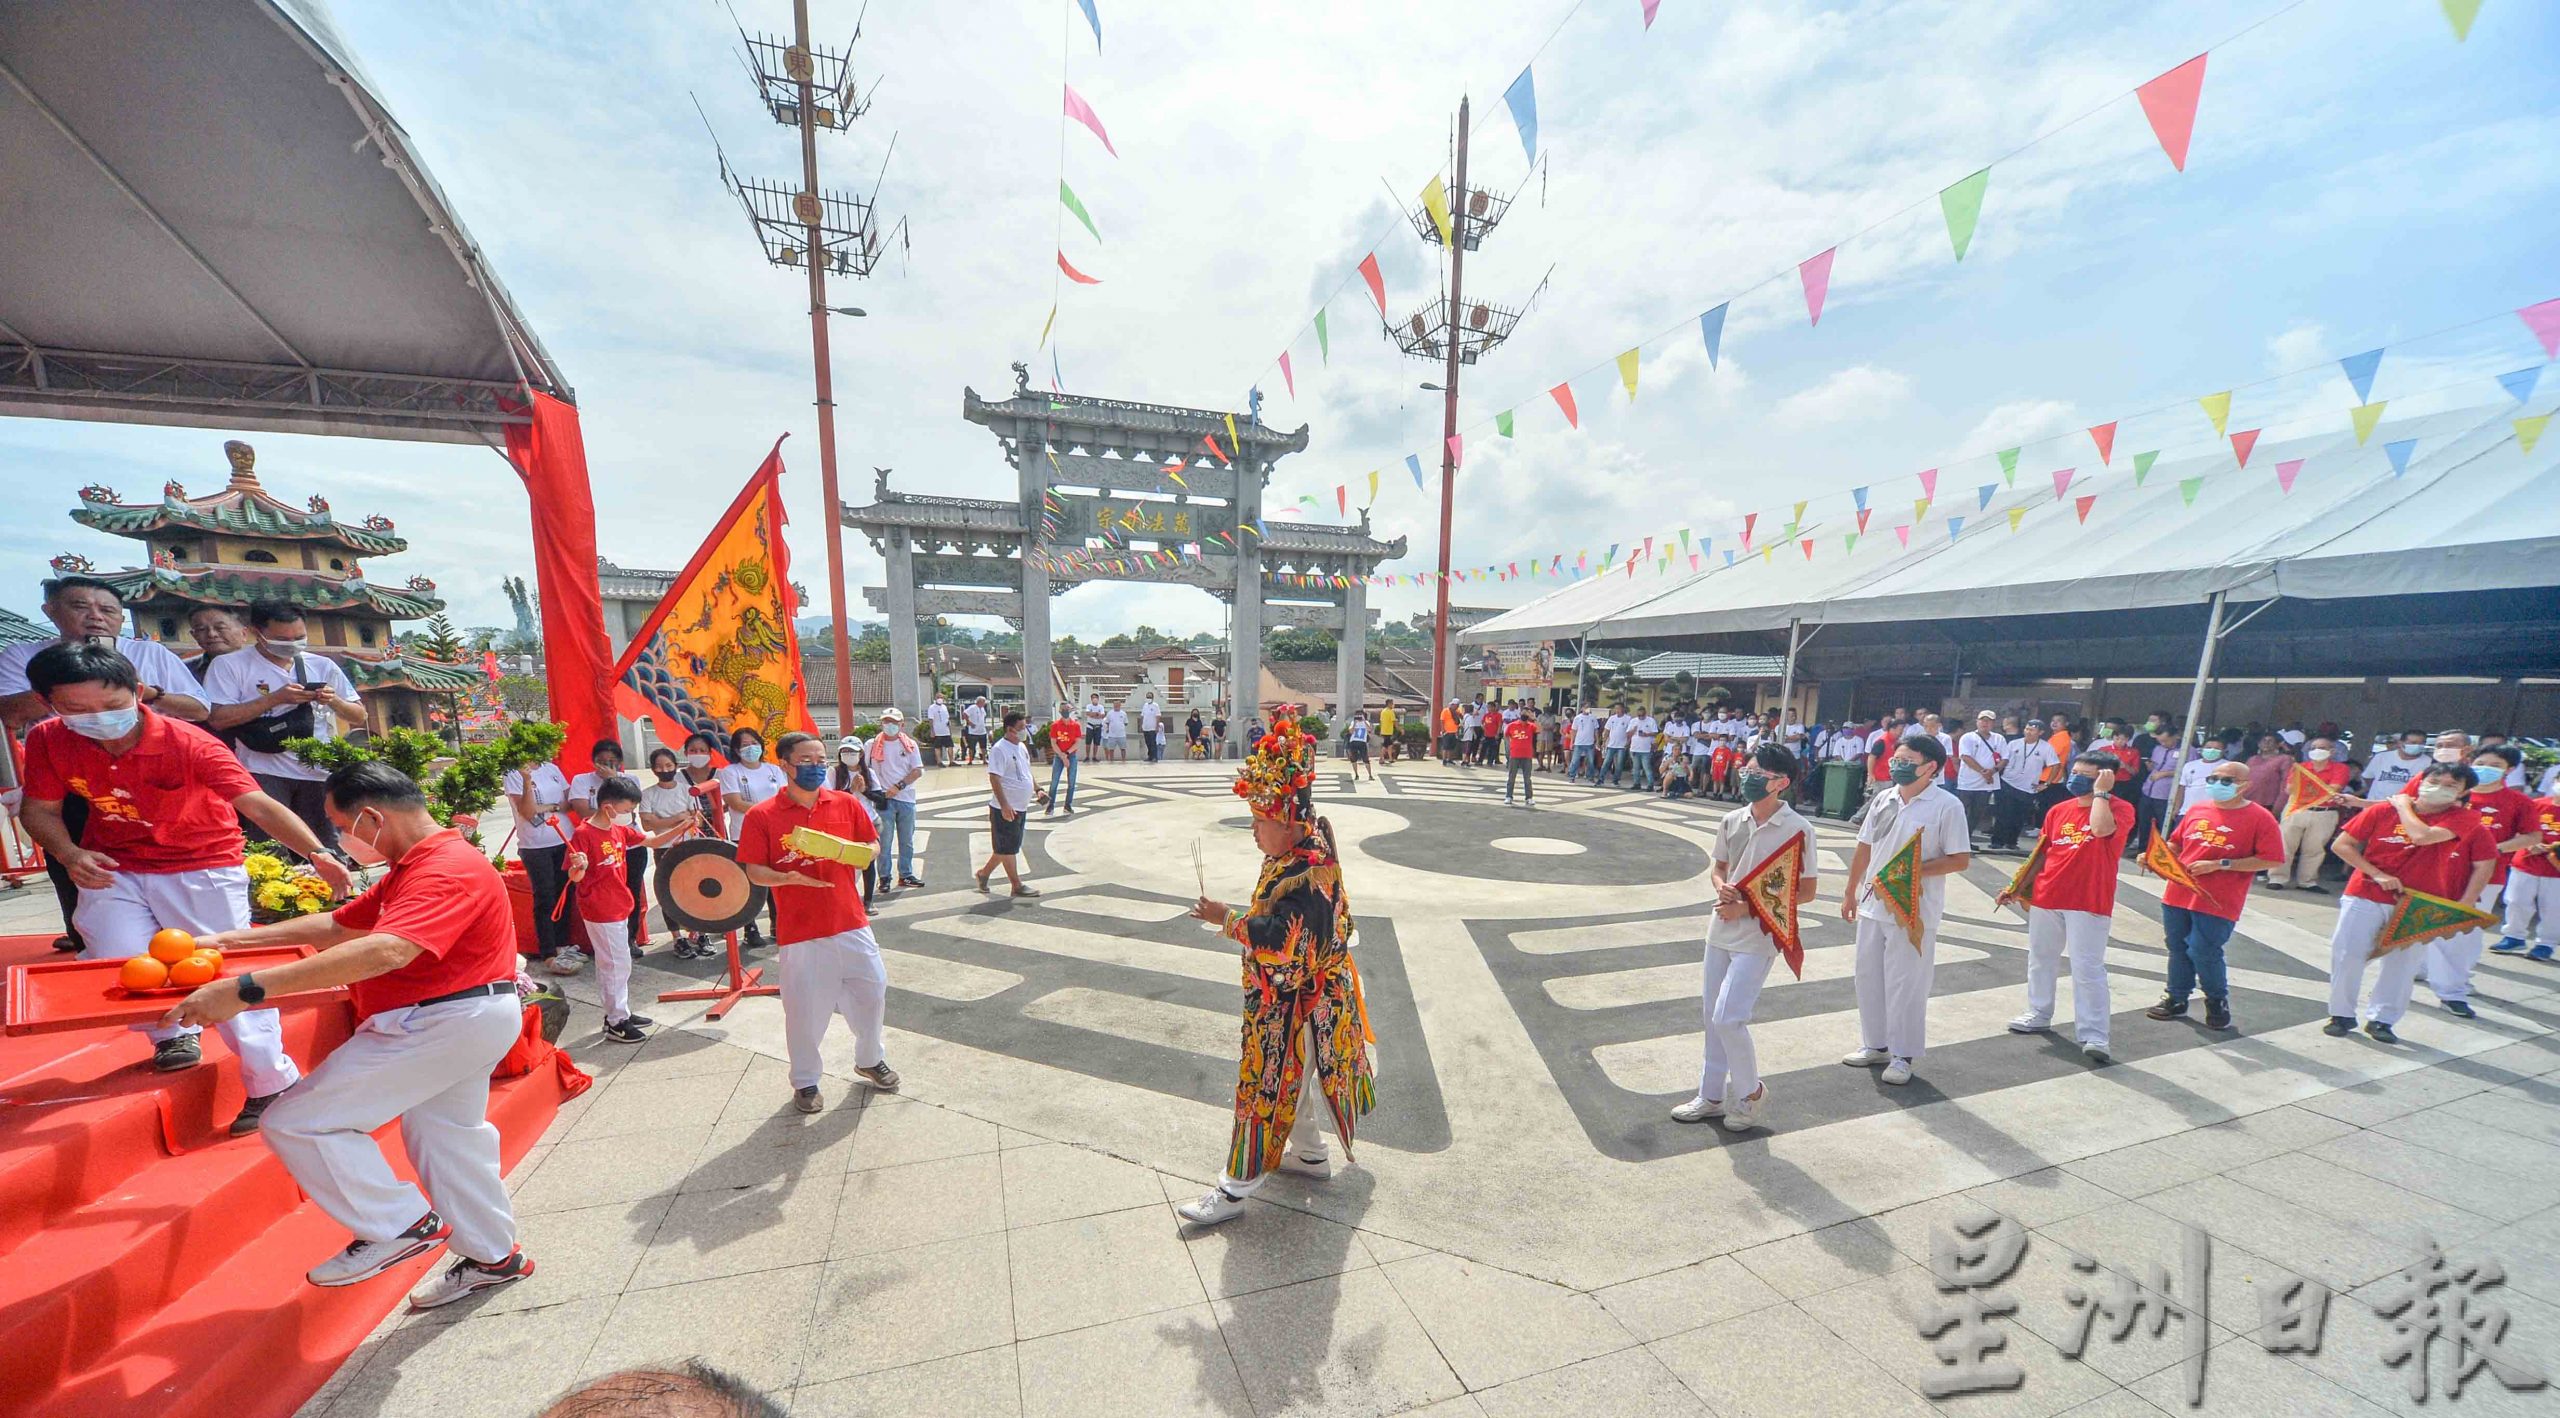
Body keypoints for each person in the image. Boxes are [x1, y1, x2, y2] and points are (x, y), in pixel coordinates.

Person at [163, 761, 535, 1309]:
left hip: (438, 1021)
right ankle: (494, 1257)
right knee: (446, 1139)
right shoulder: (417, 863)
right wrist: (232, 941)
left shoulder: (444, 869)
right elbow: (341, 927)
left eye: (340, 826)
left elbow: (388, 949)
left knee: (299, 1121)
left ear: (370, 817)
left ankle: (400, 1226)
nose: (341, 838)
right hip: (460, 1017)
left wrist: (246, 990)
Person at [17, 641, 350, 1131]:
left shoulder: (188, 741)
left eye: (111, 706)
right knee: (123, 958)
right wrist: (69, 854)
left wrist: (318, 853)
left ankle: (271, 1081)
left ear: (137, 692)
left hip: (201, 864)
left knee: (225, 971)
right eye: (77, 709)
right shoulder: (50, 739)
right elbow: (39, 810)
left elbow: (256, 804)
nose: (98, 718)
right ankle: (171, 1033)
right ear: (49, 704)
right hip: (114, 864)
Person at [1177, 710, 1375, 1225]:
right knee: (1295, 1081)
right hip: (1287, 1001)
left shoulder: (1309, 873)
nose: (1253, 830)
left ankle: (1234, 1189)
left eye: (1260, 822)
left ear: (1288, 820)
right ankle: (1309, 1156)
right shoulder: (1301, 850)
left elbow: (1287, 945)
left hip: (1297, 1008)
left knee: (1262, 1089)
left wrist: (1229, 919)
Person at [2, 574, 212, 953]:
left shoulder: (152, 654)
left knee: (166, 866)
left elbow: (200, 709)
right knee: (81, 869)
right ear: (51, 612)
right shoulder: (24, 657)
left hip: (152, 777)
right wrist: (74, 683)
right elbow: (8, 711)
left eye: (108, 610)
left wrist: (141, 691)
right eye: (81, 607)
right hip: (68, 781)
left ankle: (169, 937)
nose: (95, 617)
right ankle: (89, 940)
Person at [735, 731, 899, 1113]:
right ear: (785, 765)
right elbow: (754, 870)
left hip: (851, 920)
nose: (815, 766)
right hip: (801, 930)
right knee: (806, 1011)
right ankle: (806, 1081)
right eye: (805, 760)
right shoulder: (763, 816)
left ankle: (870, 1058)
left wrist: (861, 853)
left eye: (820, 759)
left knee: (872, 993)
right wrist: (786, 878)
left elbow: (871, 842)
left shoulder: (845, 803)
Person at [1674, 744, 1816, 1131]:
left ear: (1781, 783)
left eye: (1759, 774)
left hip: (1758, 937)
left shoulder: (1798, 829)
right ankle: (1711, 1095)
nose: (1749, 778)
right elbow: (1719, 867)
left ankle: (1751, 1094)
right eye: (1747, 770)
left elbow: (1805, 890)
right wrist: (1721, 887)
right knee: (1711, 1016)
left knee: (1729, 1017)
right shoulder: (1732, 820)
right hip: (1720, 928)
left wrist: (1749, 907)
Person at [2323, 762, 2498, 1042]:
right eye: (2435, 779)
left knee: (2403, 963)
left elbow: (2422, 837)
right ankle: (2341, 1013)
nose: (2439, 787)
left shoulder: (2463, 819)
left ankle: (2383, 1019)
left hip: (2421, 900)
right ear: (2422, 780)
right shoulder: (2381, 811)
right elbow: (2341, 845)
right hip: (2366, 891)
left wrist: (2403, 806)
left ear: (2463, 794)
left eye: (2451, 785)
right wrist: (2377, 874)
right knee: (2347, 953)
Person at [1838, 735, 1970, 1085]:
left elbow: (1959, 859)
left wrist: (1912, 872)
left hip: (1913, 910)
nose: (1897, 764)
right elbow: (1864, 847)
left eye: (1907, 759)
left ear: (1930, 767)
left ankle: (1902, 1055)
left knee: (1906, 983)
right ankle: (1875, 1044)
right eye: (1896, 758)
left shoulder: (1946, 805)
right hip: (1871, 904)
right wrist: (1850, 891)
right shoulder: (1884, 798)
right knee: (1868, 978)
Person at [202, 600, 368, 852]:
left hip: (317, 770)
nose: (292, 644)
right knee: (271, 851)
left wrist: (334, 700)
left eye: (299, 637)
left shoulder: (322, 665)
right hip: (262, 771)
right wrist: (275, 698)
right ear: (258, 632)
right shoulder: (229, 665)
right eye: (282, 638)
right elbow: (218, 718)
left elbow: (359, 716)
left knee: (328, 849)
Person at [2142, 755, 2286, 1032]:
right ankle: (2176, 997)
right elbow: (2175, 843)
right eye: (2213, 779)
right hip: (2178, 892)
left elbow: (2271, 859)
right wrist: (2153, 857)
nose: (2218, 784)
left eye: (2226, 780)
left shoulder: (2260, 817)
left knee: (2204, 949)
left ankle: (2216, 999)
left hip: (2219, 898)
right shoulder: (2198, 809)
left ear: (2244, 785)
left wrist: (2221, 865)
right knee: (2178, 946)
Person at [2004, 753, 2130, 1063]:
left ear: (2106, 778)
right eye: (2075, 772)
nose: (2077, 779)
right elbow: (2043, 853)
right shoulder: (2059, 810)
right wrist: (2017, 887)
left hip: (2088, 899)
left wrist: (2100, 794)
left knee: (2087, 967)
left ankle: (2095, 1034)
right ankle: (2039, 1011)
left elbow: (2100, 831)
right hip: (2049, 895)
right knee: (2041, 958)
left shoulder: (2120, 809)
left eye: (2087, 775)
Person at [565, 779, 695, 1042]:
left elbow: (653, 840)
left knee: (615, 963)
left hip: (619, 904)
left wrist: (684, 825)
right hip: (600, 908)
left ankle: (619, 1012)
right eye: (627, 809)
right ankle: (616, 1021)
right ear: (608, 807)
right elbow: (574, 877)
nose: (630, 815)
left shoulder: (619, 830)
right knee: (615, 964)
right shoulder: (583, 834)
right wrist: (579, 866)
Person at [2423, 744, 2536, 1019]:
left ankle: (2452, 990)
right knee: (2420, 923)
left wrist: (2493, 849)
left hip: (2484, 876)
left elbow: (2532, 837)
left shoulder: (2518, 802)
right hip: (2432, 870)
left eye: (2495, 766)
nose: (2486, 769)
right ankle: (2418, 970)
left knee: (2462, 933)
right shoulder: (2449, 792)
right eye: (2481, 762)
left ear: (2509, 770)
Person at [502, 738, 577, 975]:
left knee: (565, 892)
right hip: (535, 845)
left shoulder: (551, 768)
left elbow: (568, 803)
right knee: (545, 896)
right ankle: (548, 952)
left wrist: (547, 807)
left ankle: (563, 944)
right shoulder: (513, 773)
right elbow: (526, 811)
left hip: (563, 838)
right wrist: (527, 781)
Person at [566, 738, 648, 951]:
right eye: (601, 761)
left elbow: (628, 814)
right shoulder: (582, 780)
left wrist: (614, 780)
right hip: (598, 846)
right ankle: (604, 942)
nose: (606, 765)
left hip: (630, 844)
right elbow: (583, 811)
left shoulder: (629, 779)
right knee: (602, 891)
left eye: (612, 761)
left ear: (619, 762)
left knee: (632, 891)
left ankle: (631, 938)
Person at [641, 747, 718, 958]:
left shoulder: (687, 789)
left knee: (695, 890)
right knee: (668, 892)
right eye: (659, 766)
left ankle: (700, 933)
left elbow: (696, 819)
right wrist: (677, 819)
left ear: (675, 766)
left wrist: (663, 821)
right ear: (653, 769)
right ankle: (678, 938)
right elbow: (648, 825)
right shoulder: (648, 794)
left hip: (688, 845)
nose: (664, 769)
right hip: (663, 848)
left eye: (668, 765)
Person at [2270, 736, 2360, 892]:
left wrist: (2307, 789)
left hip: (2324, 813)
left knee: (2315, 849)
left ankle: (2307, 881)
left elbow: (2334, 789)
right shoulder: (2299, 767)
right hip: (2296, 809)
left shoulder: (2340, 768)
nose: (2317, 751)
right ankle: (2277, 878)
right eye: (2313, 748)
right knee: (2285, 845)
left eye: (2322, 748)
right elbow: (2290, 789)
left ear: (2332, 752)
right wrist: (2319, 789)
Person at [2490, 781, 2560, 961]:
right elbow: (2518, 828)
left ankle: (2546, 943)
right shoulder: (2536, 804)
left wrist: (2551, 847)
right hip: (2526, 863)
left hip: (2556, 869)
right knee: (2515, 901)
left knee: (2553, 908)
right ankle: (2514, 936)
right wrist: (2530, 843)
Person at [976, 711, 1041, 896]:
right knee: (1008, 848)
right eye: (1021, 729)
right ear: (1010, 729)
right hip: (1005, 808)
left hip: (1021, 806)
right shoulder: (999, 749)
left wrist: (1037, 789)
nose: (1024, 732)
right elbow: (994, 778)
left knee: (1006, 847)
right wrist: (1004, 805)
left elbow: (1026, 772)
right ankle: (1016, 885)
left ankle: (983, 874)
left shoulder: (1020, 747)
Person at [867, 708, 926, 888]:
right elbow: (864, 769)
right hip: (883, 799)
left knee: (906, 840)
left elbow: (917, 770)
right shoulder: (871, 744)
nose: (889, 725)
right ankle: (884, 877)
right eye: (886, 722)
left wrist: (898, 786)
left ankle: (906, 874)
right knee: (884, 841)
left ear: (901, 724)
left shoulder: (909, 745)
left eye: (893, 722)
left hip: (906, 798)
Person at [827, 733, 883, 908]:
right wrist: (850, 790)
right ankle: (845, 898)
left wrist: (864, 790)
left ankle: (868, 900)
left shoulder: (869, 772)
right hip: (843, 822)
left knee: (868, 861)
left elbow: (881, 799)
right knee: (844, 863)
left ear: (860, 754)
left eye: (852, 752)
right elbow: (830, 799)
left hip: (868, 821)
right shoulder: (834, 772)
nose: (849, 755)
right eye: (845, 751)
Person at [1988, 720, 2054, 853]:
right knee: (2002, 813)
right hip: (2008, 782)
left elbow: (2055, 765)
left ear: (2040, 732)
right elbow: (2004, 759)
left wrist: (2046, 784)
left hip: (2028, 787)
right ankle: (1997, 841)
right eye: (2027, 729)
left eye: (2032, 730)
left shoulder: (2046, 747)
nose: (2028, 732)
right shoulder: (2014, 744)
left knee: (2019, 816)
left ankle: (2011, 842)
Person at [1953, 711, 2005, 846]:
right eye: (1982, 720)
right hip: (1967, 783)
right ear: (1977, 721)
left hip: (1986, 784)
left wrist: (1993, 771)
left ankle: (1966, 840)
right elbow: (1965, 756)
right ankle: (1955, 840)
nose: (1985, 723)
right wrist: (1984, 772)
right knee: (1962, 812)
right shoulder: (1968, 737)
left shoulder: (1999, 739)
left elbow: (2004, 758)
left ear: (1993, 723)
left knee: (1977, 814)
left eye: (1988, 721)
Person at [182, 605, 250, 680]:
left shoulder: (261, 664)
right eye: (201, 629)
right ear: (194, 635)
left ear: (243, 633)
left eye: (220, 628)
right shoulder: (182, 669)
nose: (211, 634)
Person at [2361, 730, 2432, 800]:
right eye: (2413, 743)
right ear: (2401, 743)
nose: (2418, 746)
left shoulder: (2428, 763)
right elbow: (2368, 777)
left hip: (2405, 806)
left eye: (2422, 743)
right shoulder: (2381, 757)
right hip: (2374, 804)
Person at [1044, 700, 1084, 815]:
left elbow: (1077, 742)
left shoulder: (1075, 725)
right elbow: (1053, 742)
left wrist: (1067, 754)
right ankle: (1050, 806)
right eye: (1063, 710)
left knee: (1071, 782)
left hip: (1071, 755)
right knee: (1054, 782)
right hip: (1059, 756)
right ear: (1060, 711)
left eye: (1067, 709)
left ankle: (1068, 805)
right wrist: (1062, 756)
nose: (1065, 711)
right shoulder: (1055, 725)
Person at [2242, 734, 2294, 817]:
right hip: (2248, 801)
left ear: (2278, 744)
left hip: (2269, 804)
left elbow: (2285, 784)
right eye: (2263, 741)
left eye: (2270, 741)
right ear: (2258, 744)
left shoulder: (2284, 759)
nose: (2266, 743)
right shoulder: (2252, 759)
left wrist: (2278, 807)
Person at [1502, 703, 1538, 806]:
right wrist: (1511, 746)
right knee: (1511, 777)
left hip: (1527, 755)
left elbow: (1539, 729)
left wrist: (1534, 718)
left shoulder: (1531, 726)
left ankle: (1529, 797)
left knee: (1527, 778)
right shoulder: (1512, 725)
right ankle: (1509, 796)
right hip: (1515, 754)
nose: (1525, 714)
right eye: (1523, 712)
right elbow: (1506, 735)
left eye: (1527, 712)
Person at [1628, 707, 1659, 791]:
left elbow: (1655, 732)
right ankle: (1636, 783)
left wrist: (1647, 734)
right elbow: (1628, 734)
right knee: (1636, 768)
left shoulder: (1651, 721)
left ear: (1645, 713)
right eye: (1639, 715)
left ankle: (1650, 785)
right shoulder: (1633, 721)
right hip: (1635, 748)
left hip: (1646, 749)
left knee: (1647, 767)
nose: (1640, 717)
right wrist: (1633, 730)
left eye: (1642, 715)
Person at [923, 695, 952, 767]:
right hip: (937, 731)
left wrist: (950, 729)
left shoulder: (944, 707)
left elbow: (947, 719)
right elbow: (931, 719)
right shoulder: (932, 707)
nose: (940, 699)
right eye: (939, 697)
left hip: (946, 730)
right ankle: (939, 762)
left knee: (950, 746)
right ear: (935, 698)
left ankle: (951, 761)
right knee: (938, 747)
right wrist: (932, 730)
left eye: (942, 697)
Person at [961, 695, 990, 766]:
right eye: (983, 702)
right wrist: (969, 722)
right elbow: (964, 714)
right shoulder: (973, 707)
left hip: (982, 731)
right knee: (972, 747)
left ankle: (984, 760)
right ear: (979, 702)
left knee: (983, 747)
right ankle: (970, 760)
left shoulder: (982, 709)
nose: (984, 703)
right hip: (973, 732)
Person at [1346, 709, 1375, 780]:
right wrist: (1355, 723)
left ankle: (1370, 775)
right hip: (1354, 742)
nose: (1359, 717)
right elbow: (1350, 731)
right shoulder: (1353, 722)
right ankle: (1356, 774)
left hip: (1362, 742)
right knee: (1353, 759)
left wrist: (1364, 721)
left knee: (1365, 759)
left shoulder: (1366, 722)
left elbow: (1370, 730)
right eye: (1357, 715)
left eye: (1360, 715)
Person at [1139, 691, 1163, 764]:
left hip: (1152, 728)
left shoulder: (1155, 705)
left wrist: (1157, 726)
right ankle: (1150, 756)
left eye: (1150, 697)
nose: (1148, 698)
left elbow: (1158, 716)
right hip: (1146, 727)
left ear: (1152, 698)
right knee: (1148, 743)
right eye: (1147, 697)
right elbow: (1142, 716)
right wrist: (1141, 725)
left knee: (1153, 743)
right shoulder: (1145, 705)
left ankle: (1155, 757)